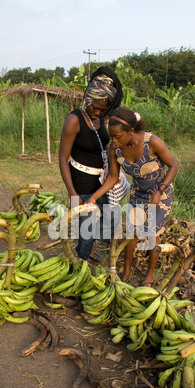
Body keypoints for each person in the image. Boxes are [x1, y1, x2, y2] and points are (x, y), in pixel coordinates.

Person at [105, 107, 179, 286]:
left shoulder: (151, 142)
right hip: (138, 192)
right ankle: (127, 269)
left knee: (153, 234)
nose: (114, 141)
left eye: (117, 136)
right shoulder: (114, 150)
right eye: (111, 136)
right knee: (132, 233)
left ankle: (150, 274)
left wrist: (160, 191)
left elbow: (174, 165)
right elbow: (113, 177)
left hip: (160, 193)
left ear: (131, 131)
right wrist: (95, 196)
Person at [58, 67, 123, 262]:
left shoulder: (100, 118)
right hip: (81, 182)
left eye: (103, 110)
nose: (98, 112)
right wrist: (72, 194)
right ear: (87, 99)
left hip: (100, 181)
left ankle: (87, 250)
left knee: (104, 219)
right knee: (86, 225)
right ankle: (80, 263)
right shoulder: (74, 120)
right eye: (95, 107)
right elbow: (62, 158)